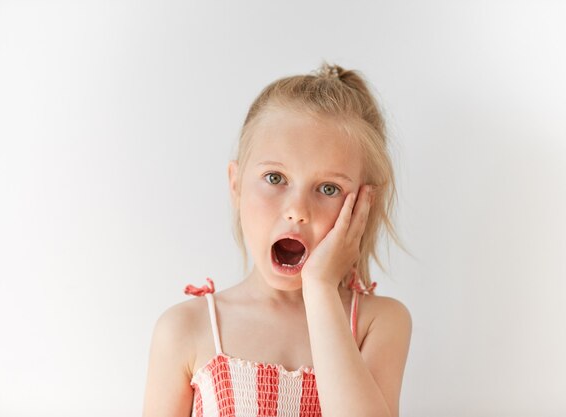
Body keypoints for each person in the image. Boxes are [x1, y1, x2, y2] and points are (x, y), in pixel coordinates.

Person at [142, 63, 412, 417]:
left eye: (328, 189)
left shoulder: (378, 324)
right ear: (235, 184)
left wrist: (320, 289)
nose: (297, 210)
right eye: (275, 177)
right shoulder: (185, 330)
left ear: (363, 204)